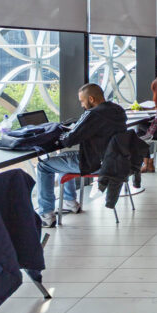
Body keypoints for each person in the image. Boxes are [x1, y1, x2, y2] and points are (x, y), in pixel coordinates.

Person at [35, 83, 127, 227]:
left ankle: (46, 215)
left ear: (91, 99)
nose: (81, 105)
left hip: (96, 164)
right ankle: (70, 202)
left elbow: (69, 140)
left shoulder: (93, 114)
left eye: (82, 101)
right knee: (62, 158)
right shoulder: (118, 110)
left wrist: (60, 135)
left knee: (43, 166)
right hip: (116, 161)